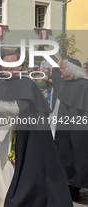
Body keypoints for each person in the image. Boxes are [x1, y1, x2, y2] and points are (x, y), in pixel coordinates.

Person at [0, 53, 72, 207]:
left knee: (9, 169)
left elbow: (21, 109)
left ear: (19, 66)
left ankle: (8, 198)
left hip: (15, 134)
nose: (6, 68)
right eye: (3, 65)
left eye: (10, 65)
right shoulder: (1, 84)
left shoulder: (27, 84)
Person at [50, 58, 88, 201]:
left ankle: (75, 188)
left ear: (71, 71)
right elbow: (55, 72)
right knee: (64, 155)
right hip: (62, 128)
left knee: (78, 158)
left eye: (63, 68)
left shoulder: (84, 86)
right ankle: (66, 187)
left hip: (79, 130)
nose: (60, 70)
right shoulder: (64, 82)